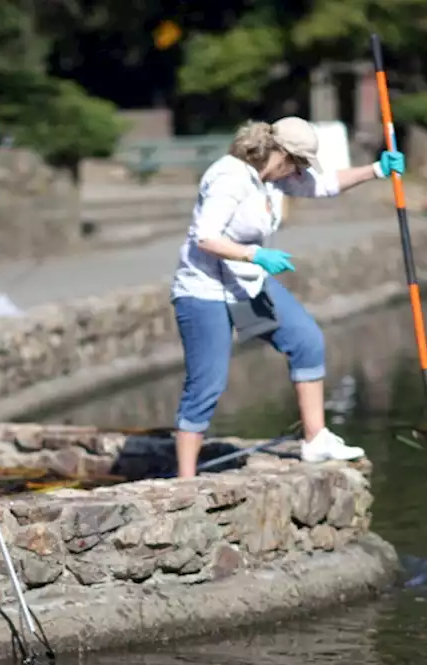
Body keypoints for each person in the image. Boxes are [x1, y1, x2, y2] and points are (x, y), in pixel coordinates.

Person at [169, 116, 407, 478]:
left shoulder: (271, 181)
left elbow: (325, 185)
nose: (299, 172)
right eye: (298, 164)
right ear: (281, 154)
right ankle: (184, 480)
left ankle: (315, 440)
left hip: (245, 284)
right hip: (204, 289)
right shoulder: (229, 178)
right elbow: (205, 237)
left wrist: (376, 169)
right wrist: (256, 254)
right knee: (206, 384)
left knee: (306, 340)